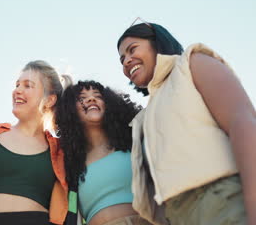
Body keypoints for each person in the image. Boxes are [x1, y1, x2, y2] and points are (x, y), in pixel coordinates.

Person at [116, 21, 256, 224]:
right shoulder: (144, 119)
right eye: (122, 59)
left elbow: (243, 122)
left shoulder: (191, 63)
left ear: (157, 42)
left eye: (132, 49)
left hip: (225, 204)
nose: (127, 61)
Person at [0, 60, 68, 225]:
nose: (17, 90)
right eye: (17, 85)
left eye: (27, 86)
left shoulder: (61, 151)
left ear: (49, 100)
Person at [57, 80, 148, 225]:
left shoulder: (134, 140)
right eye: (81, 98)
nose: (91, 99)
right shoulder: (69, 162)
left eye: (97, 96)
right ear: (70, 110)